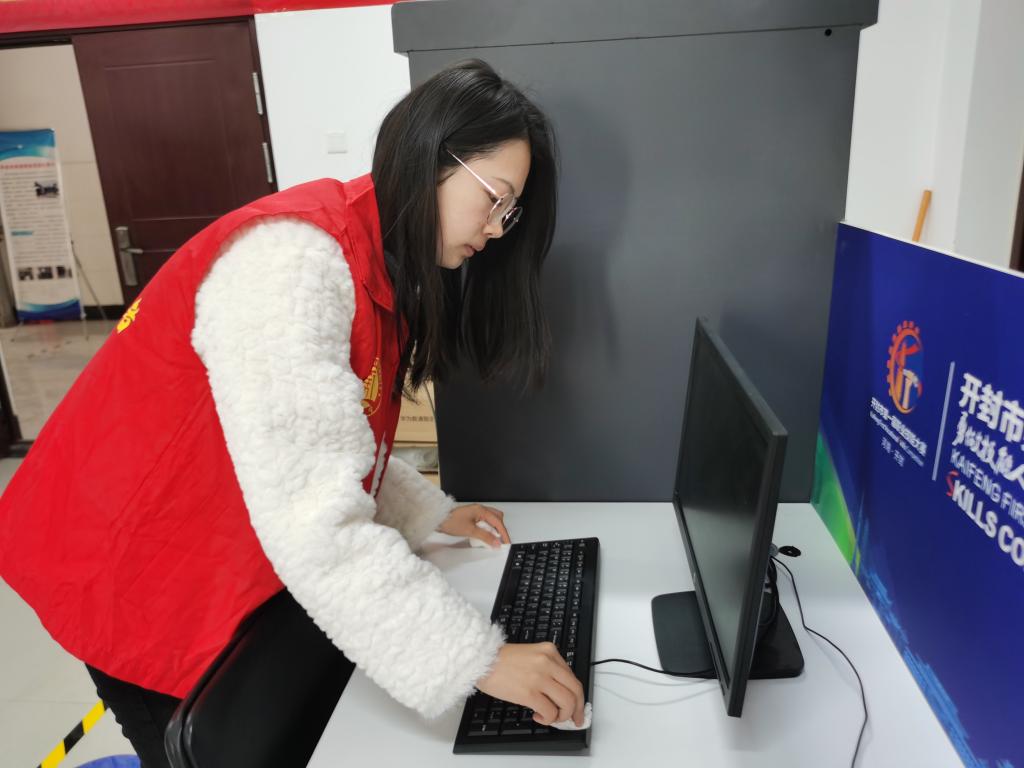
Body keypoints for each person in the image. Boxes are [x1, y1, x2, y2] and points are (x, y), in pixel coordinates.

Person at [0, 59, 585, 766]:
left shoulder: (377, 256)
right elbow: (313, 518)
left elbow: (331, 439)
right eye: (494, 199)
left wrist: (428, 512)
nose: (495, 230)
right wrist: (478, 660)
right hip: (129, 559)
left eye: (509, 213)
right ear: (430, 155)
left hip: (199, 530)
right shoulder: (293, 263)